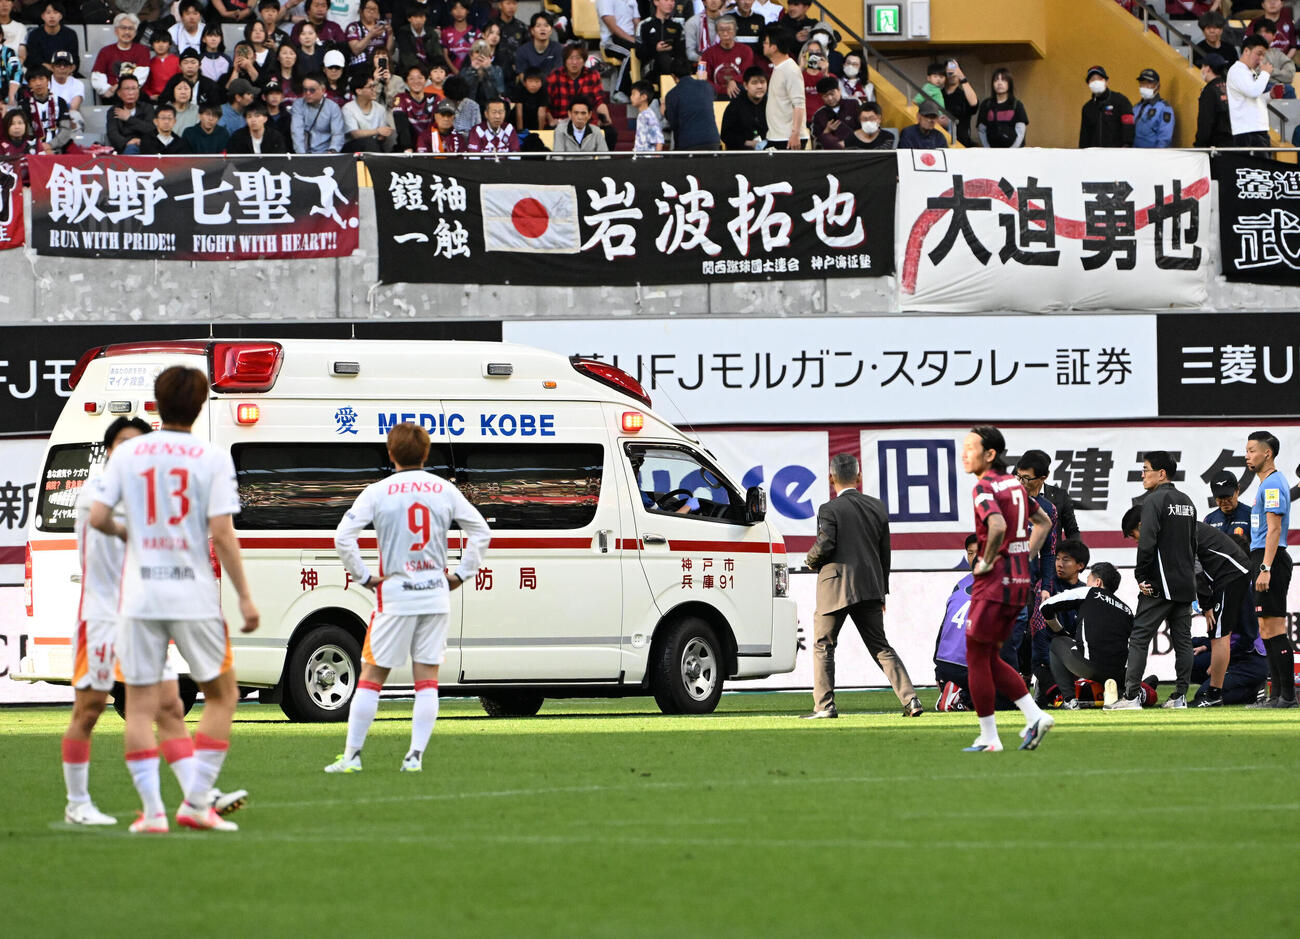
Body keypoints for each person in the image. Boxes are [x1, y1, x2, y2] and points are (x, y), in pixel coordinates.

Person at [89, 366, 260, 833]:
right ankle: (198, 800)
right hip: (192, 593)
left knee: (140, 706)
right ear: (201, 403)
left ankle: (153, 813)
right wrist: (245, 597)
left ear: (156, 404)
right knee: (223, 694)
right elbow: (223, 535)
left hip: (141, 593)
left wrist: (131, 532)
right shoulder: (211, 457)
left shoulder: (129, 455)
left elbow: (100, 517)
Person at [60, 418, 215, 828]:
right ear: (109, 450)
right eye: (123, 443)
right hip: (103, 618)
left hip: (145, 615)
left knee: (171, 707)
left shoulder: (152, 495)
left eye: (138, 445)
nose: (131, 452)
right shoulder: (96, 492)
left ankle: (196, 800)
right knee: (89, 710)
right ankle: (77, 803)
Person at [326, 423, 489, 774]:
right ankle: (414, 756)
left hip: (395, 597)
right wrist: (461, 574)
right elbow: (481, 531)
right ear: (426, 453)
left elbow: (343, 537)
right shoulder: (444, 490)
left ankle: (352, 756)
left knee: (371, 676)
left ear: (390, 453)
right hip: (434, 595)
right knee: (426, 678)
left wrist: (365, 576)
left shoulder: (378, 491)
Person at [803, 453, 922, 720]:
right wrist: (883, 592)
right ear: (859, 477)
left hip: (835, 587)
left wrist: (810, 561)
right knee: (880, 646)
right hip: (870, 587)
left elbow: (825, 545)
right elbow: (884, 554)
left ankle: (824, 706)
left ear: (830, 477)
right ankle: (911, 699)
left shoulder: (829, 509)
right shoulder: (877, 507)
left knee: (824, 645)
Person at [959, 426, 1054, 752]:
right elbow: (1044, 523)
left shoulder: (984, 487)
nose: (964, 453)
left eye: (971, 447)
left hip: (993, 584)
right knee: (988, 656)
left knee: (976, 658)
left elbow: (997, 525)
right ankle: (1034, 716)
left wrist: (985, 561)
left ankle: (990, 737)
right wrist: (1024, 554)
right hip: (1018, 583)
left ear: (989, 455)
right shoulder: (1016, 486)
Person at [1107, 451, 1198, 710]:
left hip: (1159, 584)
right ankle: (1180, 697)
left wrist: (1141, 575)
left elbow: (1147, 542)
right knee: (1183, 640)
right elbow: (1194, 543)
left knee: (1138, 638)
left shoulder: (1154, 501)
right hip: (1184, 583)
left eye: (1146, 469)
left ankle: (1132, 696)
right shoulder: (1187, 501)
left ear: (1161, 474)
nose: (1143, 474)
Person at [1243, 431, 1296, 708]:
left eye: (1252, 450)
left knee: (1274, 628)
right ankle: (1276, 696)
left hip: (1269, 559)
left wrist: (1266, 567)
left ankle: (1288, 696)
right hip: (1262, 558)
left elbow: (1274, 529)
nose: (1247, 455)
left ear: (1268, 453)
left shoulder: (1273, 484)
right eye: (1247, 450)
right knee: (1265, 629)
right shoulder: (1266, 484)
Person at [1041, 562, 1135, 710]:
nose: (1086, 583)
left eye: (1088, 580)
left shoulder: (1089, 592)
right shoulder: (1127, 610)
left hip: (1088, 666)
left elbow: (1045, 607)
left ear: (1098, 582)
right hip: (1118, 673)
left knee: (1056, 643)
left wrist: (1059, 631)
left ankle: (1070, 700)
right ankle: (1119, 691)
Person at [1192, 520, 1252, 707]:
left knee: (1218, 635)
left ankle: (1215, 694)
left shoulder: (1237, 584)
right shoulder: (1227, 582)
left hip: (1249, 660)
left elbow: (1246, 636)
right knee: (1194, 650)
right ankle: (1217, 688)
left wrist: (1206, 603)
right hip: (1236, 653)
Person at [933, 534, 979, 712]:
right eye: (970, 553)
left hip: (945, 663)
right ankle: (962, 694)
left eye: (978, 553)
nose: (974, 558)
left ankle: (957, 691)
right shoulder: (997, 586)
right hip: (969, 665)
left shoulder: (960, 585)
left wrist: (939, 668)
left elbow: (944, 630)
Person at [547, 41, 616, 150]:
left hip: (586, 121)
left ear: (584, 60)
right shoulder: (555, 75)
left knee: (611, 132)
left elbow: (599, 101)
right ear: (565, 61)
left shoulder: (593, 75)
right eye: (571, 58)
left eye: (578, 58)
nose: (574, 62)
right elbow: (546, 103)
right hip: (561, 121)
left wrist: (606, 119)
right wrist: (551, 120)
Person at [92, 14, 152, 108]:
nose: (127, 32)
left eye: (131, 28)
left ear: (136, 32)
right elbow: (97, 75)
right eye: (123, 28)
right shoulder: (105, 51)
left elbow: (141, 75)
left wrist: (121, 87)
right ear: (116, 31)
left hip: (135, 95)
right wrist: (108, 90)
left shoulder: (143, 51)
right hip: (111, 96)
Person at [1228, 36, 1273, 150]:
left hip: (1256, 129)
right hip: (1247, 131)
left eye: (1263, 55)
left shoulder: (1249, 71)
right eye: (1259, 54)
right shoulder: (1237, 70)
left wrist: (1270, 96)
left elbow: (1253, 97)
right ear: (1246, 51)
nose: (1261, 59)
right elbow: (1253, 92)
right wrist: (1265, 73)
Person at [663, 58, 718, 149]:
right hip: (712, 140)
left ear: (673, 76)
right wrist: (702, 81)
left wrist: (665, 112)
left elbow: (674, 124)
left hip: (688, 142)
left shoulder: (672, 95)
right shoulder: (707, 86)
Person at [762, 27, 802, 150]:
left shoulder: (790, 69)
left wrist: (795, 134)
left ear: (774, 48)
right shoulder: (778, 68)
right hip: (777, 136)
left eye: (766, 42)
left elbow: (799, 104)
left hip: (788, 138)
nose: (763, 45)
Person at [18, 64, 73, 153]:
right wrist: (39, 147)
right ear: (29, 84)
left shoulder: (60, 102)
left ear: (48, 80)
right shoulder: (24, 105)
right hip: (32, 151)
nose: (38, 83)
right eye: (33, 80)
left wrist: (50, 145)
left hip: (58, 148)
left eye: (41, 79)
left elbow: (65, 129)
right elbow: (25, 132)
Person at [1079, 65, 1134, 147]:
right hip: (1094, 155)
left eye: (1099, 78)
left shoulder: (1121, 100)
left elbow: (1129, 127)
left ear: (1106, 81)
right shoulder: (1087, 107)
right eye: (1092, 79)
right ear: (1088, 84)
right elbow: (1084, 135)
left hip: (1117, 153)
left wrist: (1126, 146)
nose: (1096, 81)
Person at [699, 15, 752, 100]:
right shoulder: (708, 53)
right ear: (717, 32)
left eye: (728, 29)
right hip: (716, 95)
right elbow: (703, 77)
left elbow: (747, 73)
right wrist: (723, 89)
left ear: (735, 31)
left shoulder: (746, 50)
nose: (725, 33)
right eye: (721, 29)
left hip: (739, 93)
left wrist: (734, 80)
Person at [292, 71, 346, 152]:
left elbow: (337, 133)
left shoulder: (333, 107)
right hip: (304, 152)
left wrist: (332, 151)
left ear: (323, 90)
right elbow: (296, 132)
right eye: (305, 89)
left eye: (312, 90)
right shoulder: (298, 104)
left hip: (326, 152)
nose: (307, 93)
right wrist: (301, 156)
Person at [637, 0, 686, 88]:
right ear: (656, 2)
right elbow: (639, 52)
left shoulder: (677, 26)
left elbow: (682, 51)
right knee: (663, 58)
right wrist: (655, 49)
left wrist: (672, 48)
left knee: (678, 64)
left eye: (672, 1)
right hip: (650, 67)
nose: (670, 3)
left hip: (673, 65)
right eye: (666, 0)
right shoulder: (644, 25)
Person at [342, 70, 396, 150]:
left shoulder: (380, 108)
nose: (374, 89)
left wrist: (384, 135)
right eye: (371, 87)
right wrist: (377, 131)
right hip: (353, 148)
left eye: (374, 86)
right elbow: (355, 134)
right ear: (359, 91)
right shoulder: (348, 108)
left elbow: (382, 133)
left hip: (375, 145)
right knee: (369, 142)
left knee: (392, 136)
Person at [596, 0, 638, 101]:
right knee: (630, 53)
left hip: (630, 39)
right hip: (611, 40)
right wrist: (633, 41)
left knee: (645, 51)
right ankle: (619, 90)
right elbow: (613, 28)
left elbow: (637, 22)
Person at [21, 2, 79, 73]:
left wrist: (67, 70)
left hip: (65, 72)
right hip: (42, 73)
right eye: (48, 13)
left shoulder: (70, 34)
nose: (52, 16)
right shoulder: (34, 35)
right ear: (42, 16)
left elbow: (74, 59)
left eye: (55, 12)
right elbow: (34, 60)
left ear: (61, 16)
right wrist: (54, 70)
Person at [977, 67, 1028, 147]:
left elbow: (1021, 132)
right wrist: (988, 150)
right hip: (992, 153)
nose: (999, 83)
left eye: (1003, 80)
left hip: (1014, 153)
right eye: (996, 80)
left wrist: (1011, 152)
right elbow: (981, 130)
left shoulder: (1017, 105)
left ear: (1009, 83)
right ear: (992, 84)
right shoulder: (986, 104)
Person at [395, 1, 449, 75]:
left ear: (425, 18)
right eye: (415, 17)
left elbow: (437, 56)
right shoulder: (403, 33)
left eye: (421, 17)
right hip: (409, 72)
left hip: (430, 72)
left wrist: (432, 72)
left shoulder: (432, 33)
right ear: (409, 18)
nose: (418, 20)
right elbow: (408, 59)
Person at [107, 74, 156, 154]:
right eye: (127, 89)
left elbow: (151, 129)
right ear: (119, 93)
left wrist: (129, 118)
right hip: (124, 148)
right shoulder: (114, 111)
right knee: (131, 149)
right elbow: (113, 134)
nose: (131, 93)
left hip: (146, 146)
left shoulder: (147, 108)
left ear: (139, 91)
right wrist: (128, 142)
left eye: (134, 89)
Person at [719, 64, 764, 150]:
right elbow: (725, 135)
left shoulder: (770, 103)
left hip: (767, 154)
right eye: (754, 83)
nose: (759, 86)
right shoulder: (734, 106)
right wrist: (746, 142)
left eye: (762, 82)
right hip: (740, 155)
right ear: (745, 85)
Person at [1194, 53, 1234, 147]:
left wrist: (1199, 145)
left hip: (1216, 146)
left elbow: (1206, 122)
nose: (1201, 70)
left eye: (1203, 66)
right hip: (1232, 143)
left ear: (1208, 68)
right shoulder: (1229, 87)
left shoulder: (1209, 91)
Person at [809, 75, 858, 149]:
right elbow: (816, 142)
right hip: (832, 154)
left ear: (839, 90)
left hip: (855, 149)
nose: (830, 98)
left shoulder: (854, 105)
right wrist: (827, 131)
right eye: (825, 96)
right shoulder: (819, 115)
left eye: (832, 94)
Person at [515, 12, 561, 88]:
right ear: (532, 31)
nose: (542, 29)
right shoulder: (522, 50)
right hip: (529, 90)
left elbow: (558, 73)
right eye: (538, 26)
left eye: (546, 26)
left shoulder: (558, 49)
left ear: (551, 30)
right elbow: (522, 76)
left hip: (551, 89)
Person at [346, 0, 394, 74]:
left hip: (380, 65)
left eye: (374, 9)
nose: (371, 12)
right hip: (360, 66)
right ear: (361, 11)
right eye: (368, 8)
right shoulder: (353, 27)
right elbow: (356, 50)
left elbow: (389, 52)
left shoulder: (383, 26)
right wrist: (371, 35)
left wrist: (390, 34)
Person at [939, 57, 977, 146]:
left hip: (962, 143)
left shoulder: (964, 95)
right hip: (940, 142)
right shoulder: (937, 95)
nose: (952, 74)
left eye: (954, 71)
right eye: (948, 72)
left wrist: (961, 77)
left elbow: (974, 104)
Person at [1132, 67, 1174, 147]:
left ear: (1157, 86)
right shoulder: (1136, 108)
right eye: (1142, 83)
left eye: (1149, 83)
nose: (1145, 86)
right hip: (1134, 155)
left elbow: (1165, 139)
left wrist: (1156, 157)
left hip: (1152, 157)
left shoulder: (1164, 108)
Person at [1206, 470, 1251, 541]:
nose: (1224, 501)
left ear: (1238, 489)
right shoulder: (1209, 520)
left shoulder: (1250, 515)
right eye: (1220, 498)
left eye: (1228, 497)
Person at [1256, 19, 1297, 96]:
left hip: (1277, 87)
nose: (1263, 35)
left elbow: (1289, 76)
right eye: (1259, 32)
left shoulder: (1279, 55)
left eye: (1267, 32)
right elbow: (1253, 76)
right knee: (1287, 89)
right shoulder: (1250, 53)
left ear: (1274, 36)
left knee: (1285, 89)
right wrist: (1278, 76)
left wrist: (1270, 71)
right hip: (1256, 88)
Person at [441, 0, 479, 72]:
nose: (459, 12)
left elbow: (478, 54)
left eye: (462, 8)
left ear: (467, 11)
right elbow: (445, 56)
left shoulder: (475, 32)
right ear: (451, 11)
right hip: (452, 75)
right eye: (455, 8)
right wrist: (457, 73)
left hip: (472, 74)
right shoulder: (445, 32)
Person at [143, 30, 179, 102]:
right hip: (154, 99)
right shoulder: (148, 64)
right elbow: (145, 84)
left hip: (174, 99)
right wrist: (150, 95)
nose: (160, 45)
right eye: (157, 42)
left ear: (170, 44)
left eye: (164, 42)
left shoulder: (178, 61)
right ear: (152, 44)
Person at [683, 0, 722, 64]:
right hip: (700, 65)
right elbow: (690, 53)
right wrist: (706, 60)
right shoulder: (692, 22)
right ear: (704, 2)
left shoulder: (728, 23)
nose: (713, 1)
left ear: (722, 2)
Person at [629, 78, 662, 151]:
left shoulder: (649, 115)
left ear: (643, 97)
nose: (631, 97)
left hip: (648, 158)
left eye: (633, 94)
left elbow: (658, 139)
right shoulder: (642, 115)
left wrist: (657, 157)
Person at [513, 65, 550, 130]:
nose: (534, 85)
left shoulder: (543, 92)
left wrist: (540, 132)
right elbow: (519, 113)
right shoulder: (520, 90)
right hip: (520, 120)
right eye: (530, 81)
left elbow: (541, 114)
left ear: (541, 83)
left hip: (535, 120)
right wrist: (520, 131)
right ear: (524, 83)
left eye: (537, 81)